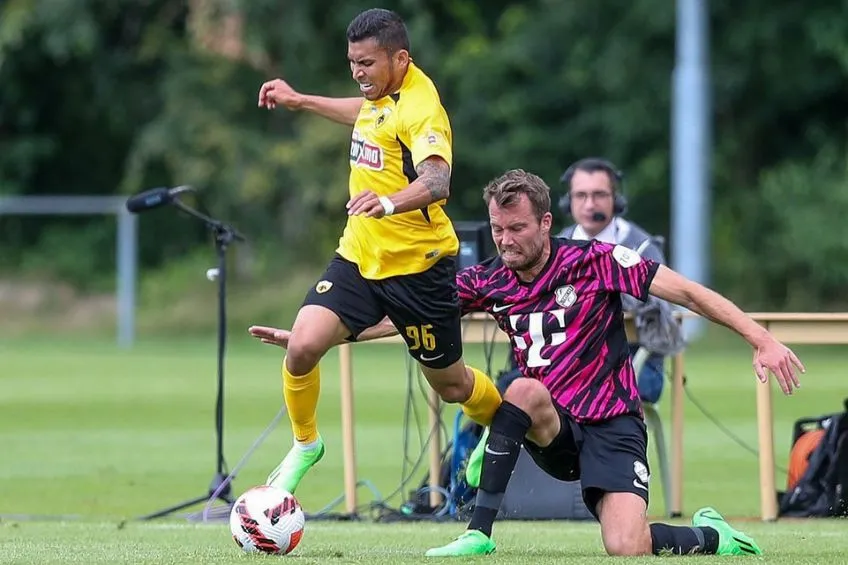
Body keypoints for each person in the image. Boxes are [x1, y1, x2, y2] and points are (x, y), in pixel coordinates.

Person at [251, 168, 804, 558]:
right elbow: (402, 317)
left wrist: (761, 338)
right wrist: (325, 336)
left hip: (613, 424)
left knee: (626, 547)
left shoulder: (596, 260)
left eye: (517, 229)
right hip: (550, 428)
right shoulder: (486, 279)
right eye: (497, 229)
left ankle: (713, 536)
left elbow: (686, 292)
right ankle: (478, 531)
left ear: (545, 223)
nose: (506, 240)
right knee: (522, 390)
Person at [253, 8, 502, 496]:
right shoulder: (381, 96)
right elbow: (365, 113)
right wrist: (301, 100)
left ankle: (500, 421)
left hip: (419, 269)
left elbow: (437, 179)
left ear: (400, 58)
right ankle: (306, 444)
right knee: (303, 345)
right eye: (352, 62)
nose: (357, 73)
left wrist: (388, 201)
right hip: (359, 256)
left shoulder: (421, 107)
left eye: (366, 63)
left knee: (450, 386)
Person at [558, 157, 677, 404]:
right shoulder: (555, 246)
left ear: (617, 199)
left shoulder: (644, 247)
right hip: (569, 362)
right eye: (581, 195)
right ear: (568, 201)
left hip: (636, 362)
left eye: (599, 195)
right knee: (511, 389)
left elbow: (662, 310)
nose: (590, 204)